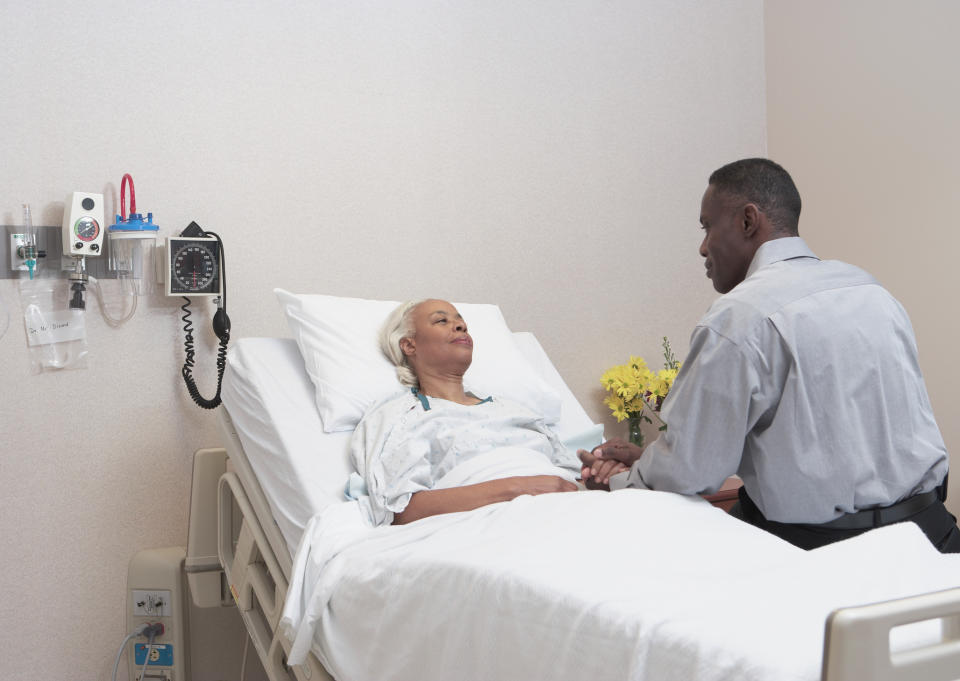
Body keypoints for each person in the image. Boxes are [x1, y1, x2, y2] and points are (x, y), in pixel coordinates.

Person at [580, 158, 960, 552]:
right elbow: (840, 444)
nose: (703, 247)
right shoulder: (872, 292)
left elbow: (689, 471)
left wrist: (617, 481)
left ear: (748, 221)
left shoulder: (739, 316)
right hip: (934, 539)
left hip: (824, 552)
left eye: (708, 226)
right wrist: (652, 460)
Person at [351, 298, 591, 526]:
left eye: (461, 321)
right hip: (492, 523)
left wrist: (605, 475)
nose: (461, 325)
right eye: (441, 321)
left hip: (573, 508)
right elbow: (401, 511)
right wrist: (517, 489)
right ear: (409, 345)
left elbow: (573, 481)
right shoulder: (400, 417)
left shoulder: (512, 409)